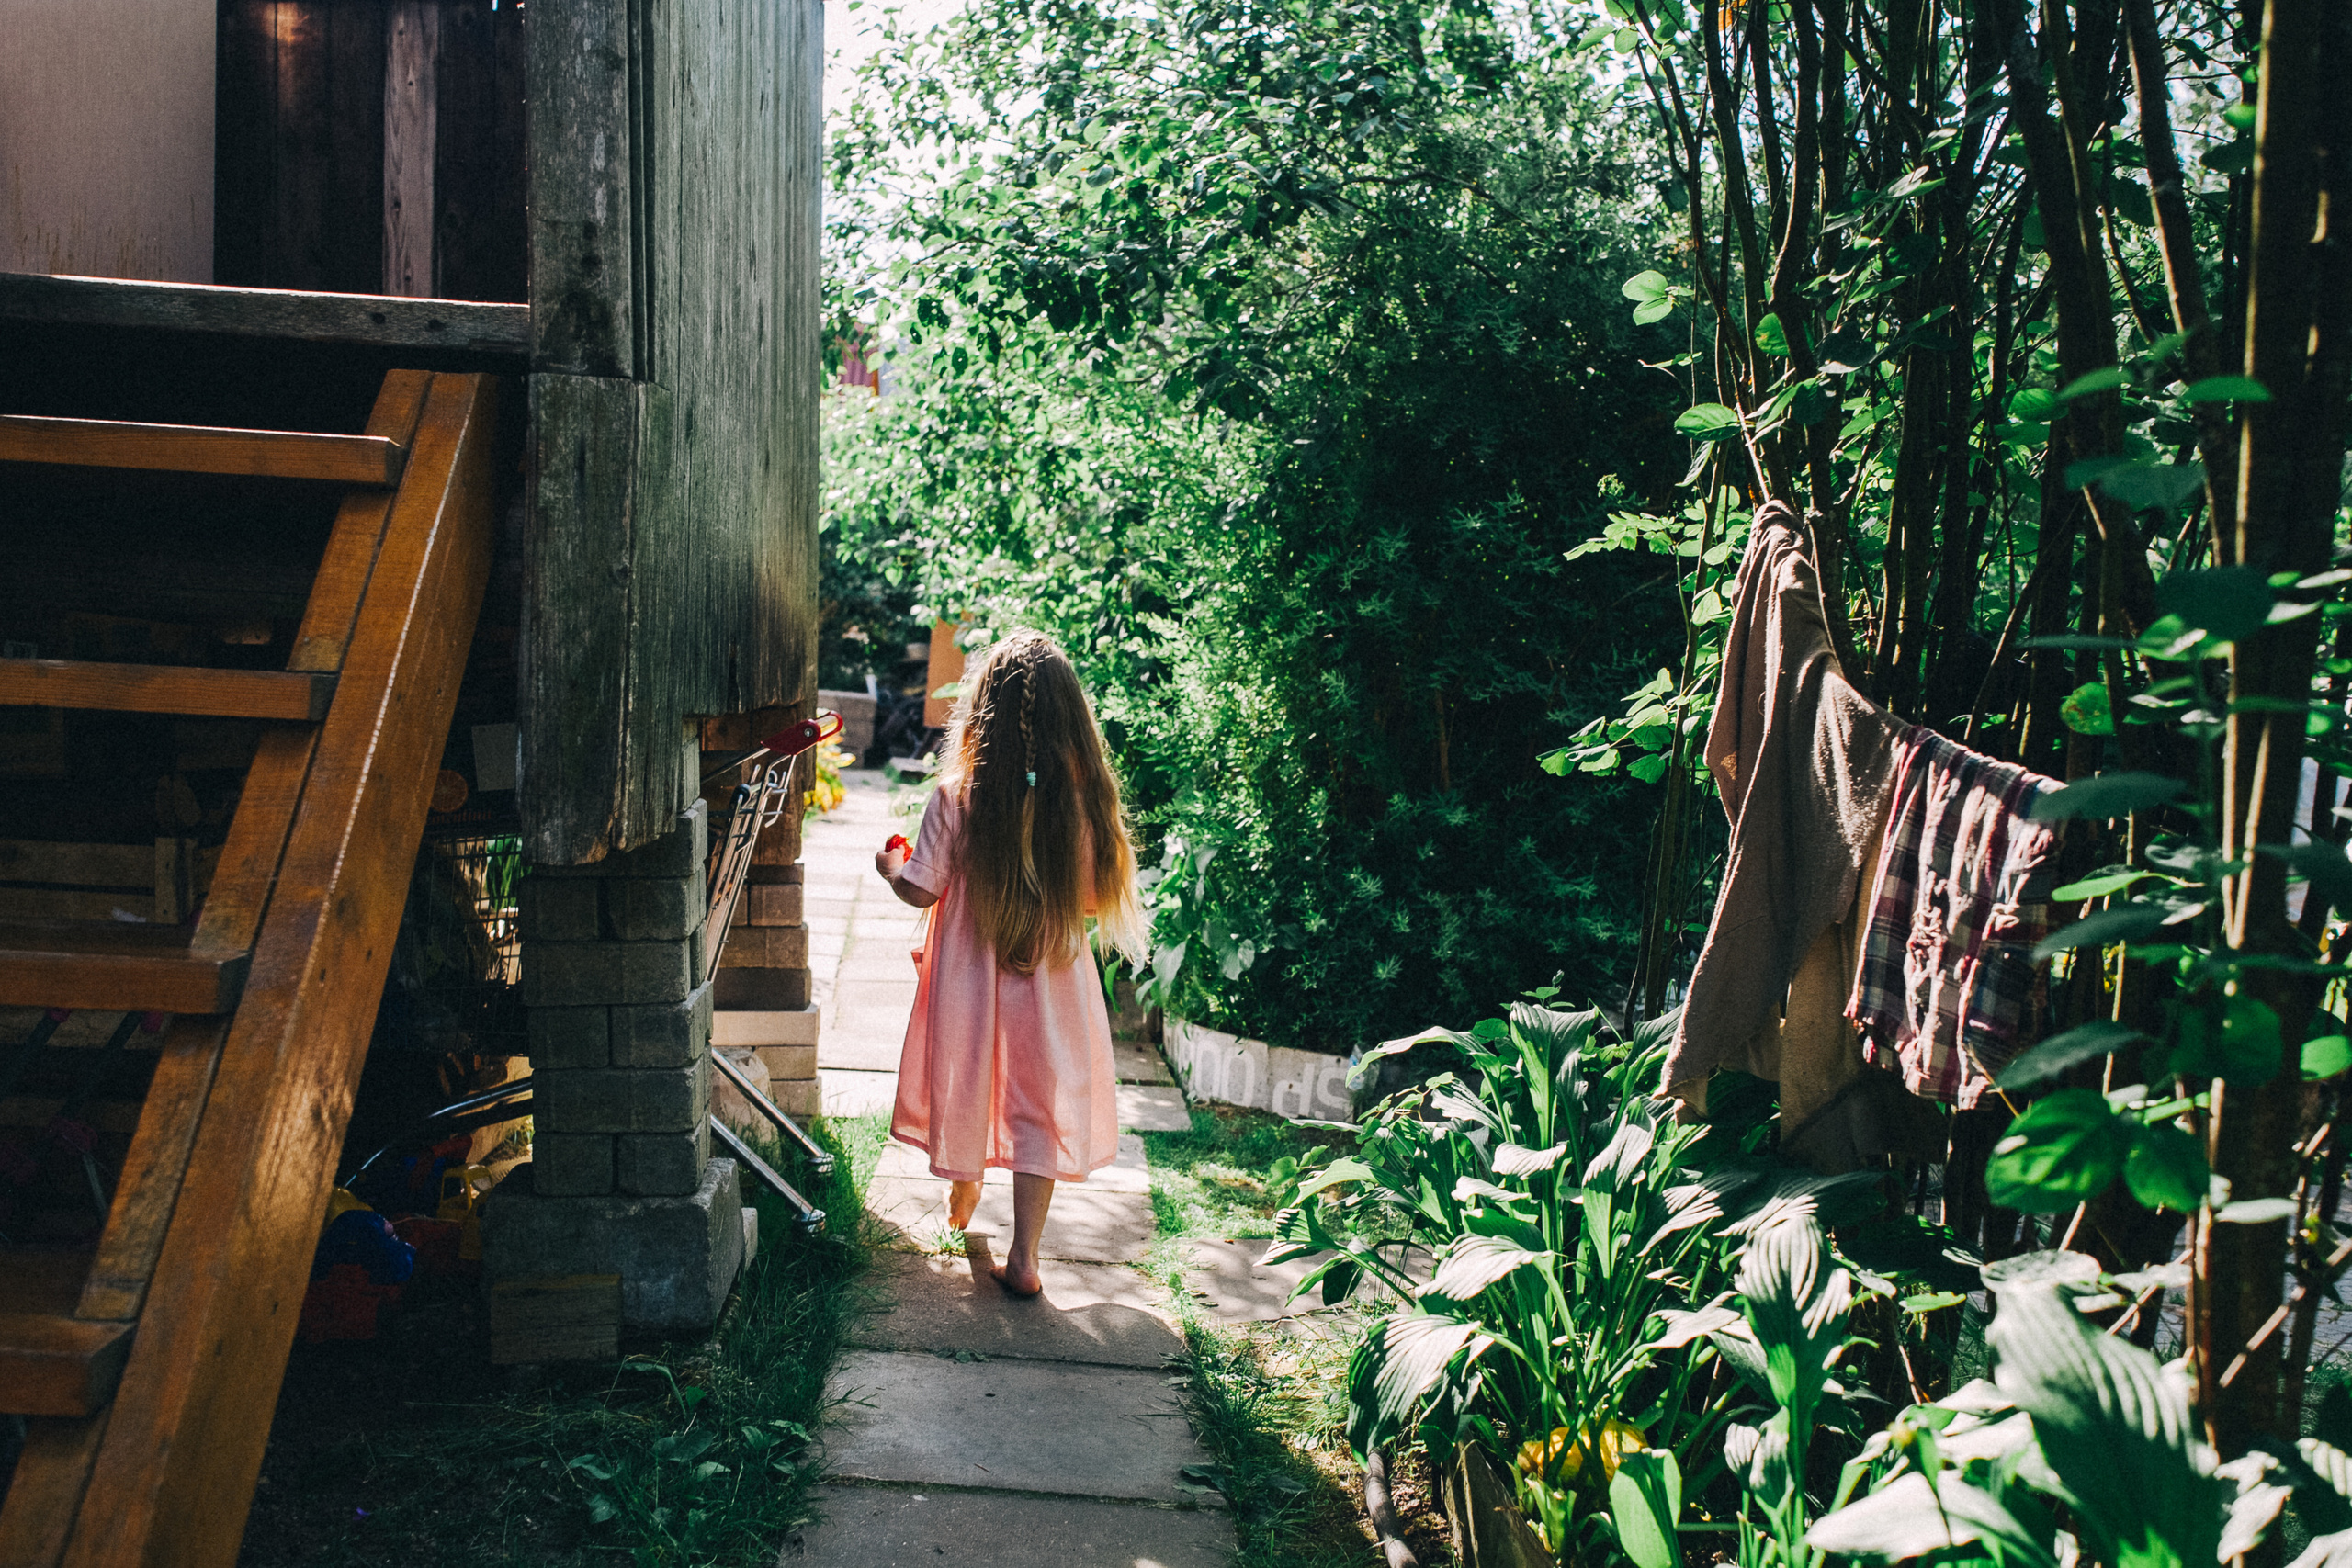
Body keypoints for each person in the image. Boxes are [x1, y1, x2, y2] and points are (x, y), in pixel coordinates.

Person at [873, 630, 1146, 1297]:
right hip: (1051, 985)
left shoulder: (956, 797)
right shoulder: (1077, 804)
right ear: (1070, 719)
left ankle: (965, 1190)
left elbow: (921, 887)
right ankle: (1025, 1254)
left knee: (972, 1081)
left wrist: (890, 868)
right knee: (1034, 1106)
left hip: (970, 987)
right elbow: (1088, 896)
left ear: (982, 711)